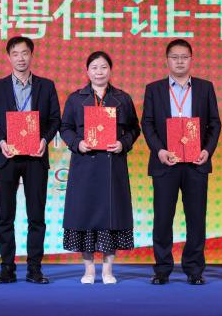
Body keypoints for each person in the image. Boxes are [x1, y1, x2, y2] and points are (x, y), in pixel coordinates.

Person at [0, 36, 60, 284]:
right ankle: (7, 267)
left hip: (36, 157)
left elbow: (55, 119)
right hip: (8, 157)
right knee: (5, 215)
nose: (21, 58)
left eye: (25, 53)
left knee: (36, 216)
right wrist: (1, 142)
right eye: (15, 54)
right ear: (9, 57)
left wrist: (44, 140)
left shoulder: (46, 86)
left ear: (31, 55)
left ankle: (34, 268)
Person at [141, 39, 221, 286]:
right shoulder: (154, 89)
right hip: (166, 163)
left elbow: (215, 123)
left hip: (196, 162)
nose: (179, 61)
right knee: (162, 218)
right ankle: (162, 269)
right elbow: (147, 123)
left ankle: (194, 270)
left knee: (196, 218)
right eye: (174, 57)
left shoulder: (205, 88)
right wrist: (160, 151)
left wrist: (207, 150)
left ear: (191, 60)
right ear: (167, 60)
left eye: (184, 57)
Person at [59, 51, 140, 285]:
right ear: (87, 71)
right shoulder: (76, 99)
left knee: (110, 219)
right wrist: (77, 143)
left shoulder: (122, 98)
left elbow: (134, 128)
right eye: (94, 68)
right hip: (84, 166)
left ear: (110, 70)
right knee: (85, 217)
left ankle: (108, 270)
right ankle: (88, 271)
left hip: (113, 166)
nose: (99, 72)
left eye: (103, 67)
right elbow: (65, 128)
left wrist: (123, 143)